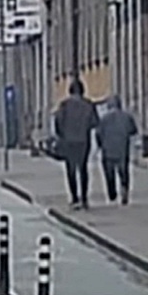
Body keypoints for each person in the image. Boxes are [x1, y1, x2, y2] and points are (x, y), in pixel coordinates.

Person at [55, 79, 99, 210]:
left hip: (68, 141)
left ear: (70, 91)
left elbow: (58, 122)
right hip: (83, 141)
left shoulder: (64, 105)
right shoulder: (88, 105)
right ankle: (84, 198)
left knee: (71, 169)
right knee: (83, 168)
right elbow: (94, 122)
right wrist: (84, 127)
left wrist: (62, 134)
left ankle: (74, 197)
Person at [96, 95, 138, 205]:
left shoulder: (104, 119)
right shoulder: (127, 116)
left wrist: (100, 145)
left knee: (109, 173)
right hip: (122, 148)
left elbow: (98, 133)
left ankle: (112, 192)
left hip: (107, 149)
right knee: (123, 172)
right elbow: (133, 130)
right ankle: (124, 190)